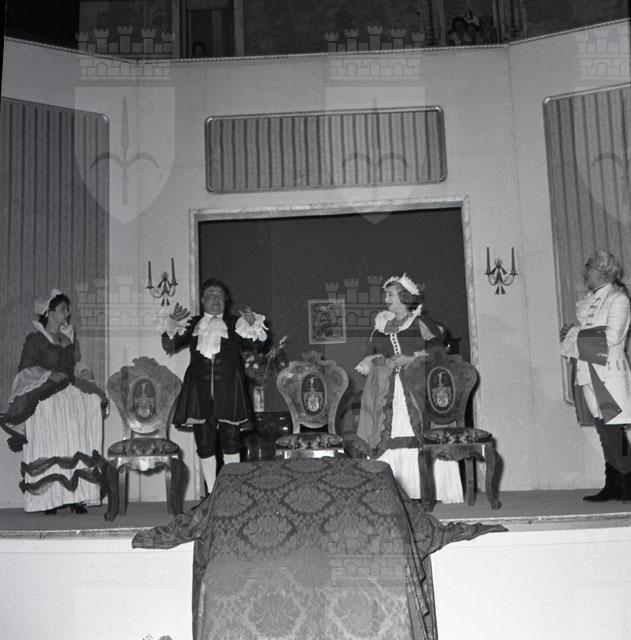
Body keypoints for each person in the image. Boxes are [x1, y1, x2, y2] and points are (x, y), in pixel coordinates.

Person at [354, 274, 463, 503]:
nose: (386, 299)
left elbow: (438, 351)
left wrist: (410, 358)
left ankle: (427, 490)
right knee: (386, 432)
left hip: (416, 386)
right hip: (387, 389)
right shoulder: (382, 326)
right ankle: (391, 492)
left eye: (391, 294)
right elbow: (369, 357)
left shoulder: (420, 323)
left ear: (405, 297)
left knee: (417, 431)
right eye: (386, 294)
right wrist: (384, 361)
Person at [1, 289, 106, 514]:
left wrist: (81, 370)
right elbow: (24, 371)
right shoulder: (35, 339)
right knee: (50, 443)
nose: (67, 313)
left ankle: (76, 497)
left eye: (67, 310)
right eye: (63, 309)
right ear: (48, 312)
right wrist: (48, 375)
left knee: (75, 440)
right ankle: (49, 499)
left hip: (67, 395)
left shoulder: (68, 338)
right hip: (44, 399)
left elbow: (71, 368)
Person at [159, 278, 267, 493]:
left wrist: (253, 324)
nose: (215, 298)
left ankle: (231, 493)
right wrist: (172, 322)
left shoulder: (237, 323)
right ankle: (211, 494)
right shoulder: (192, 323)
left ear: (226, 300)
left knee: (231, 440)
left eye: (219, 295)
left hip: (230, 391)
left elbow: (258, 345)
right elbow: (170, 345)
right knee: (204, 442)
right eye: (210, 294)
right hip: (198, 392)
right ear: (202, 300)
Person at [561, 251, 631, 501]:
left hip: (607, 372)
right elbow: (589, 334)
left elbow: (612, 337)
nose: (584, 273)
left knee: (613, 430)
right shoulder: (591, 301)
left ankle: (628, 479)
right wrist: (573, 334)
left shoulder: (618, 299)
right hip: (588, 370)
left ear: (602, 271)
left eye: (588, 267)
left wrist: (575, 335)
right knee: (604, 430)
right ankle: (614, 483)